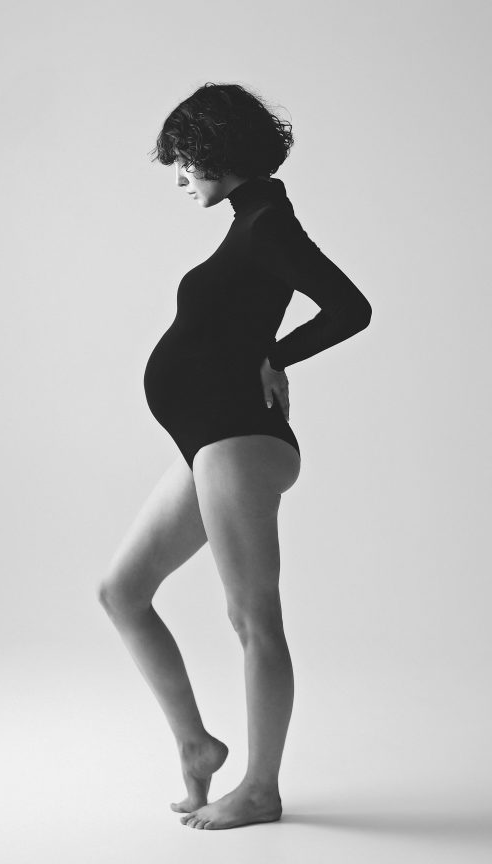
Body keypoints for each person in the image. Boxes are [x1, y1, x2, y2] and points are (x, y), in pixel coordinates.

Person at [98, 82, 372, 830]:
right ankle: (197, 747)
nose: (180, 179)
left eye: (183, 162)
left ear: (215, 150)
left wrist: (277, 357)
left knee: (253, 619)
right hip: (210, 442)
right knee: (122, 592)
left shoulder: (268, 225)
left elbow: (351, 308)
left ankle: (260, 788)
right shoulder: (251, 221)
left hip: (239, 439)